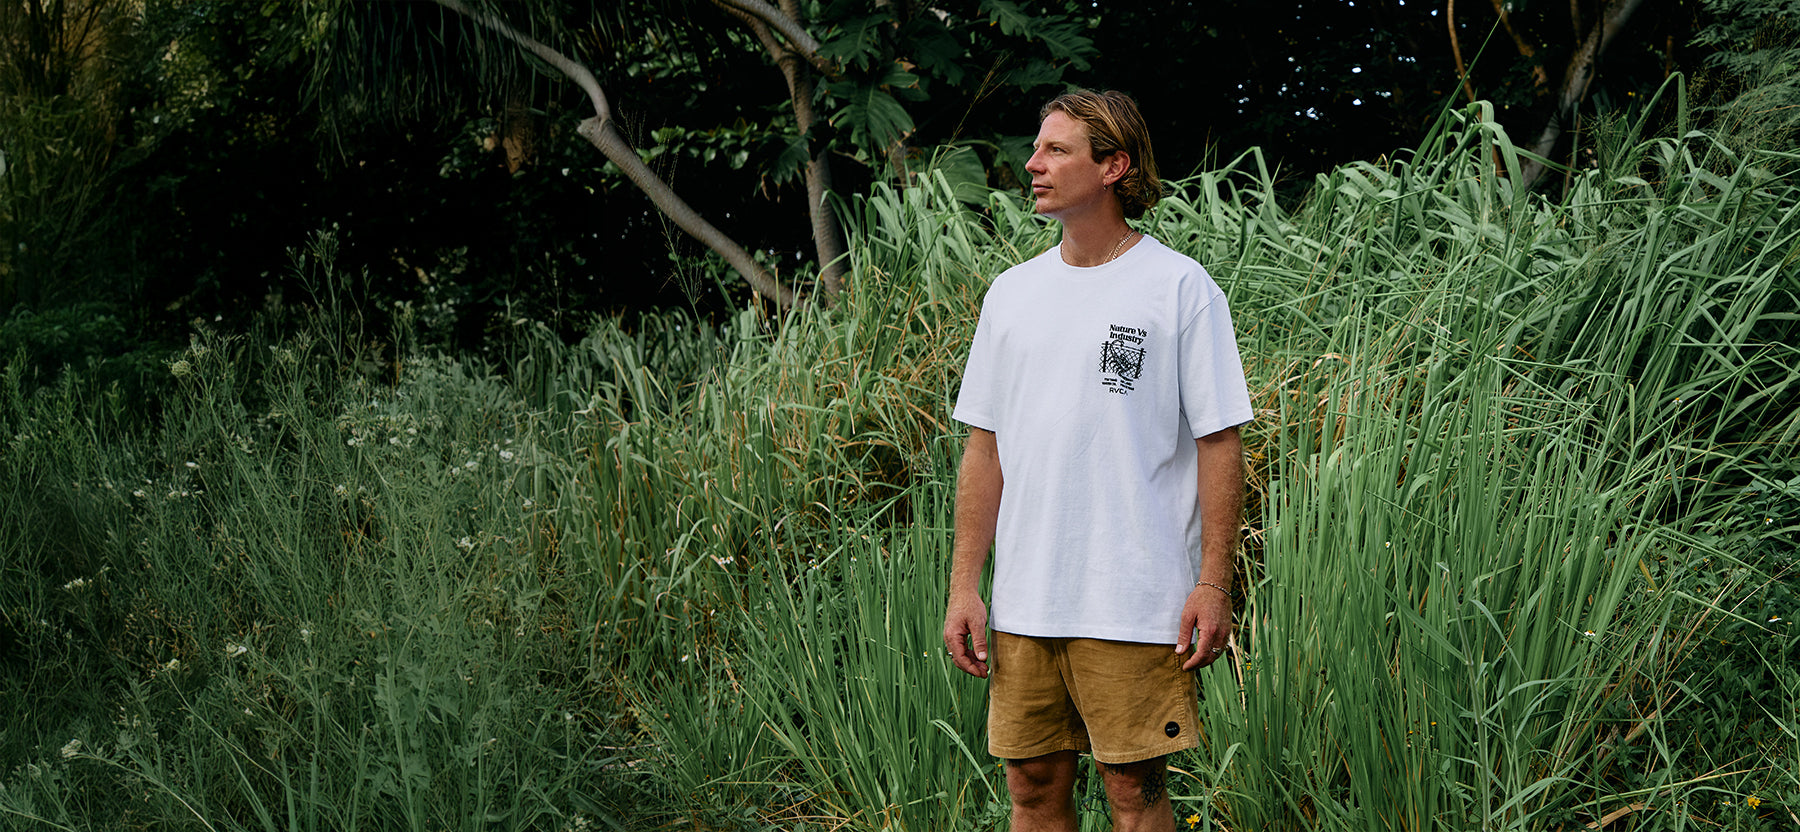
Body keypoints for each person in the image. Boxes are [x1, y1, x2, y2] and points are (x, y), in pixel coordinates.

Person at [942, 89, 1253, 832]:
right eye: (1037, 147)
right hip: (1025, 598)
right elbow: (985, 449)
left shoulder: (1178, 288)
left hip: (1135, 595)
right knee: (1031, 789)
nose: (1033, 163)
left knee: (1132, 793)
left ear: (1114, 166)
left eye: (1056, 150)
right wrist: (964, 585)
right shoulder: (1012, 294)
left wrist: (1213, 583)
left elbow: (1220, 443)